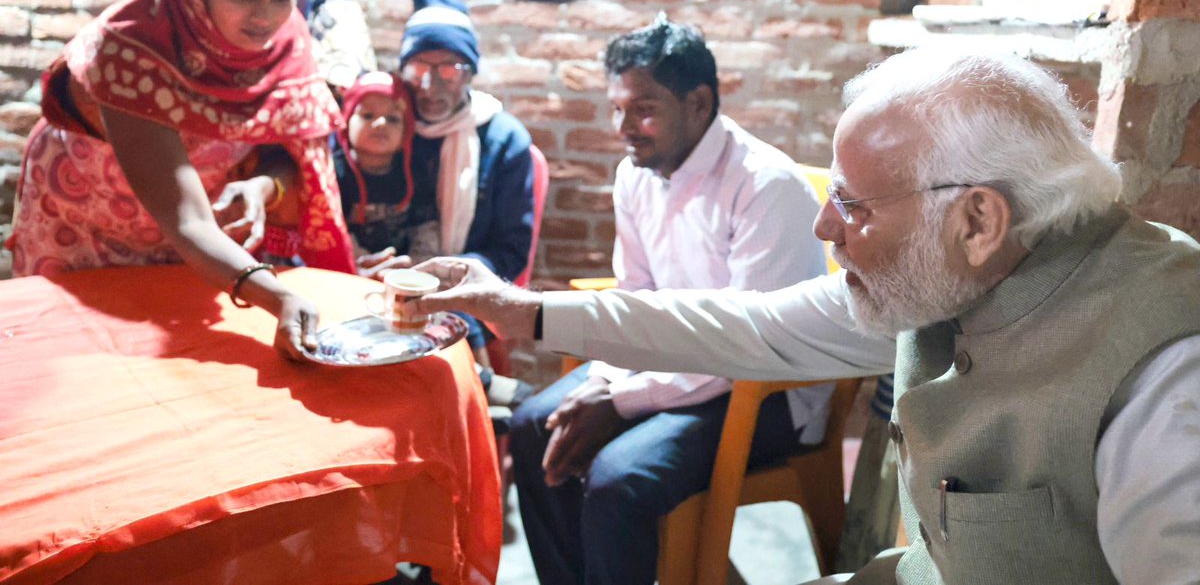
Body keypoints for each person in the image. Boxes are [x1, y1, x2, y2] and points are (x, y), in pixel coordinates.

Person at [406, 49, 1200, 584]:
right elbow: (745, 325)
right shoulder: (956, 270)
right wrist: (521, 310)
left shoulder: (1165, 378)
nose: (825, 228)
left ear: (978, 219)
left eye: (851, 205)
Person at [510, 18, 830, 585]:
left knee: (617, 476)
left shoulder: (765, 186)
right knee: (535, 423)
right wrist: (604, 383)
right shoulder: (635, 176)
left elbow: (748, 346)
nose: (624, 128)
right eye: (617, 109)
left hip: (768, 387)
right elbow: (635, 296)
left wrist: (622, 403)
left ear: (699, 103)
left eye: (643, 110)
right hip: (681, 360)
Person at [8, 0, 355, 360]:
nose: (264, 16)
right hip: (84, 228)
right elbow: (186, 218)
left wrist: (262, 189)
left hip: (204, 250)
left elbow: (283, 149)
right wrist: (277, 295)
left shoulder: (286, 43)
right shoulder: (131, 53)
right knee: (83, 367)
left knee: (174, 372)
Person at [360, 0, 535, 392]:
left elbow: (510, 252)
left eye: (449, 70)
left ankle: (478, 395)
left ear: (471, 73)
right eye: (418, 67)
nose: (430, 85)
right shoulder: (386, 128)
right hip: (379, 286)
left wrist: (442, 277)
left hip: (462, 289)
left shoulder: (503, 142)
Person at [332, 70, 417, 256]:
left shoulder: (415, 173)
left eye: (393, 119)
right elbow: (332, 231)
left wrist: (418, 263)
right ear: (346, 123)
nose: (380, 124)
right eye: (368, 115)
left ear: (406, 133)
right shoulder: (334, 173)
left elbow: (425, 226)